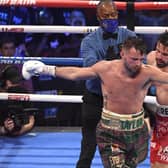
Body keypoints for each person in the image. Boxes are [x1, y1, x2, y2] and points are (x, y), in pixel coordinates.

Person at [22, 37, 168, 167]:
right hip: (110, 132)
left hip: (137, 131)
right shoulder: (106, 68)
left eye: (140, 59)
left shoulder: (148, 72)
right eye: (133, 59)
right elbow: (75, 74)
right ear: (122, 54)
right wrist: (44, 69)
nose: (137, 64)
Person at [77, 0, 137, 167]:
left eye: (113, 15)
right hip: (95, 98)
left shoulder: (130, 37)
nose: (111, 19)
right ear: (98, 18)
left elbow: (138, 65)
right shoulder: (89, 41)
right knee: (87, 148)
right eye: (106, 16)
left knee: (126, 147)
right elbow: (92, 70)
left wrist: (106, 65)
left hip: (122, 100)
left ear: (117, 15)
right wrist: (119, 64)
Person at [146, 32, 168, 168]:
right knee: (155, 165)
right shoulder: (151, 59)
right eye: (158, 50)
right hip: (159, 123)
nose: (159, 56)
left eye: (165, 55)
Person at [0, 65, 35, 136]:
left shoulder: (23, 92)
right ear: (5, 82)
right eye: (12, 82)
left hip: (20, 132)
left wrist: (20, 131)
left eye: (17, 81)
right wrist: (4, 129)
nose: (16, 84)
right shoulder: (1, 97)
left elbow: (31, 119)